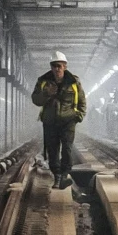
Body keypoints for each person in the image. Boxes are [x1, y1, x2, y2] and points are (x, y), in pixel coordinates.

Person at [31, 50, 85, 188]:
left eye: (59, 66)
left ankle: (65, 174)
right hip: (50, 122)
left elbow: (82, 100)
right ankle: (57, 177)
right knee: (52, 150)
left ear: (65, 66)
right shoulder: (43, 81)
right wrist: (46, 94)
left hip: (68, 122)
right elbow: (36, 100)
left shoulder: (74, 81)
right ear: (51, 67)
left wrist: (78, 116)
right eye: (54, 66)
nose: (56, 69)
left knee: (67, 149)